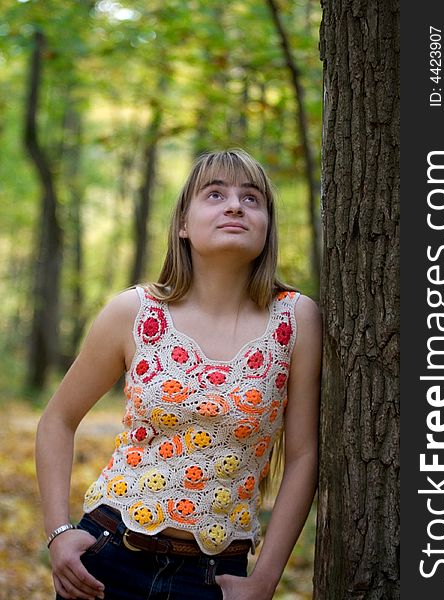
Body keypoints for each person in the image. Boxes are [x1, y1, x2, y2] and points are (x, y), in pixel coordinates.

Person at [36, 148, 322, 600]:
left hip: (215, 579)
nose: (234, 205)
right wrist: (58, 532)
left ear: (267, 227)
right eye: (215, 194)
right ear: (184, 224)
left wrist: (265, 580)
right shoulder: (135, 311)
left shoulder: (296, 319)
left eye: (252, 199)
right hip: (108, 560)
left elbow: (304, 455)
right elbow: (57, 419)